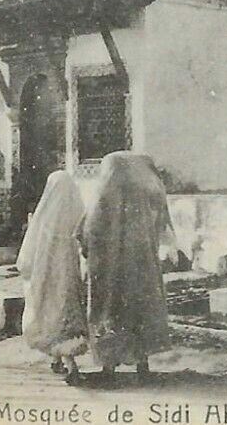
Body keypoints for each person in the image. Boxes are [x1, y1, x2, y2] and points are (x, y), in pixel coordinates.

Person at [80, 151, 176, 378]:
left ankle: (109, 367)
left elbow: (88, 229)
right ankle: (142, 363)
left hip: (109, 269)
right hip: (142, 268)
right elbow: (163, 224)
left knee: (111, 310)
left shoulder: (104, 196)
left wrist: (86, 251)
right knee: (140, 308)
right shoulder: (149, 196)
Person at [15, 169, 89, 382]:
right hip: (69, 276)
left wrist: (28, 269)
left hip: (48, 278)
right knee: (65, 314)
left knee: (51, 315)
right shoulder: (77, 213)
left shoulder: (45, 217)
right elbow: (85, 238)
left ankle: (70, 365)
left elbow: (29, 251)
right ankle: (61, 360)